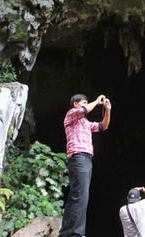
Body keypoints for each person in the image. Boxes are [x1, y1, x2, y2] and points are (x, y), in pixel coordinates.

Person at [59, 94, 111, 237]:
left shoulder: (86, 123)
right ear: (76, 104)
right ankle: (75, 233)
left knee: (79, 195)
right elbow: (84, 110)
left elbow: (103, 126)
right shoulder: (71, 115)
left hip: (86, 159)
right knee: (80, 195)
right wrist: (96, 101)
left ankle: (67, 232)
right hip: (78, 156)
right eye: (83, 102)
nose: (86, 104)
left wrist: (107, 110)